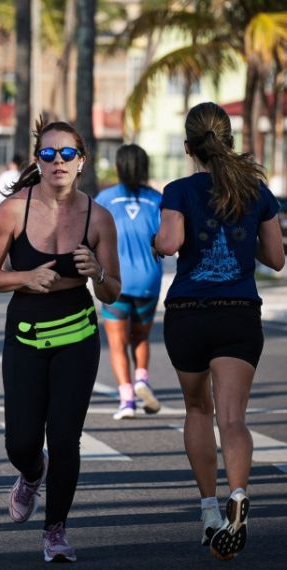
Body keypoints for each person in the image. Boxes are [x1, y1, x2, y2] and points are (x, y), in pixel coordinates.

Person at [0, 119, 120, 563]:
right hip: (25, 333)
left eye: (67, 154)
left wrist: (96, 272)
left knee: (65, 438)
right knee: (20, 442)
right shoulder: (14, 210)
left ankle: (55, 529)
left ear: (82, 162)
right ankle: (31, 473)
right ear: (38, 161)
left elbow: (113, 290)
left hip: (77, 333)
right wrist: (25, 276)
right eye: (49, 154)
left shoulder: (99, 217)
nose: (58, 162)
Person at [153, 102, 284, 561]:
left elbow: (169, 243)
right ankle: (240, 493)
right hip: (239, 313)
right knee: (233, 418)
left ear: (189, 147)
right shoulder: (256, 190)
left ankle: (209, 509)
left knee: (197, 408)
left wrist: (156, 242)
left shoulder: (179, 189)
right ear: (228, 140)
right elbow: (276, 258)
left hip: (190, 313)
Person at [95, 144, 163, 420]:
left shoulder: (105, 199)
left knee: (117, 341)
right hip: (149, 279)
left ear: (119, 168)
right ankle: (142, 380)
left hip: (115, 280)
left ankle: (126, 400)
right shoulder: (158, 200)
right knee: (141, 337)